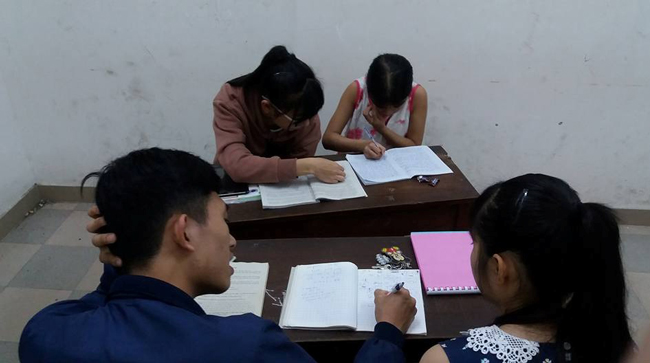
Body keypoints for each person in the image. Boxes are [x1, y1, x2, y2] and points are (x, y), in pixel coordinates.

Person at [19, 148, 416, 363]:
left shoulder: (47, 333)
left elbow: (98, 309)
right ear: (185, 232)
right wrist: (387, 333)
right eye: (224, 220)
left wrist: (119, 259)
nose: (231, 241)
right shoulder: (246, 346)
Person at [420, 174, 633, 363]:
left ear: (499, 269)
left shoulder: (445, 358)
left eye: (473, 243)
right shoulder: (617, 345)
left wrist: (387, 333)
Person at [213, 45, 345, 184]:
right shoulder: (230, 101)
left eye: (311, 116)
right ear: (267, 107)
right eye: (297, 120)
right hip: (235, 186)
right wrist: (308, 166)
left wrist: (302, 166)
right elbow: (237, 165)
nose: (307, 124)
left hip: (283, 187)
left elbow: (301, 160)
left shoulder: (305, 112)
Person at [322, 53, 428, 160]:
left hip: (397, 166)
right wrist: (363, 146)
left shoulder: (417, 95)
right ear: (369, 91)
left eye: (396, 106)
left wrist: (381, 128)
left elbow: (414, 146)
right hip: (355, 163)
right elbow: (328, 139)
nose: (387, 112)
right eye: (380, 106)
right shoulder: (357, 90)